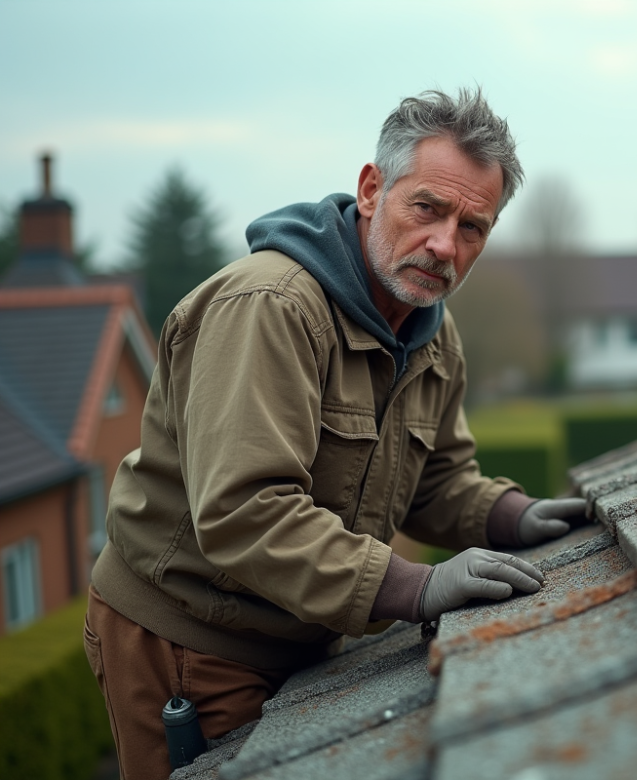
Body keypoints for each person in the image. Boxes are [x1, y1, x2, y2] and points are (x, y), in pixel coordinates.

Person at [84, 88, 586, 780]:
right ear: (373, 189)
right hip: (192, 642)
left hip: (302, 632)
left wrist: (513, 515)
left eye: (473, 227)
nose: (445, 244)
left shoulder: (430, 334)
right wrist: (416, 587)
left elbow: (436, 479)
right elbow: (243, 512)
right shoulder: (269, 309)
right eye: (428, 209)